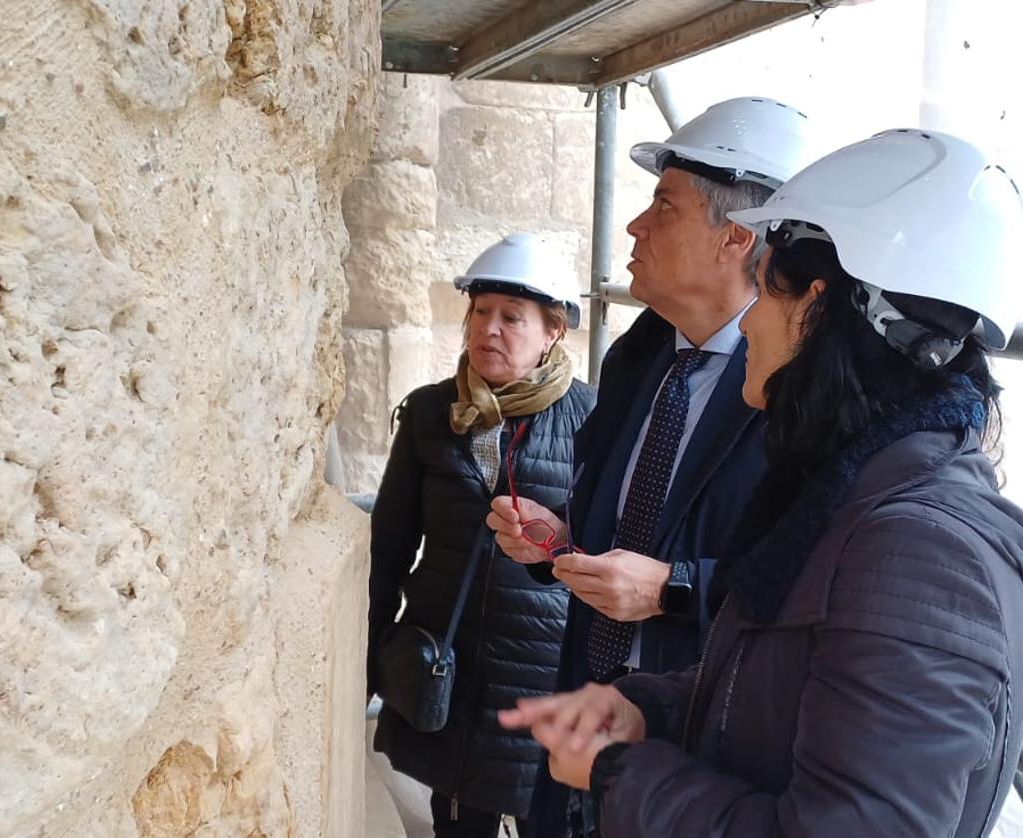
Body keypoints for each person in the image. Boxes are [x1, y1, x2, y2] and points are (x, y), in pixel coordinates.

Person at [501, 128, 1023, 837]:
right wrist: (648, 709)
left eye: (766, 291)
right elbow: (778, 687)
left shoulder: (920, 556)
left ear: (817, 305)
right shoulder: (850, 491)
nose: (749, 327)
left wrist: (619, 770)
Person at [486, 96, 818, 836]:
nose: (635, 226)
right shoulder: (639, 356)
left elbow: (800, 581)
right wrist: (554, 543)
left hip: (695, 752)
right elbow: (616, 524)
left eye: (663, 207)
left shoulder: (799, 399)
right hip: (584, 720)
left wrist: (676, 591)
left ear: (736, 237)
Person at [367, 233, 596, 837]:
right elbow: (389, 547)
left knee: (547, 819)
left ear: (552, 333)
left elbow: (607, 545)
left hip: (541, 677)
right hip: (450, 664)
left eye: (511, 318)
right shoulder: (427, 414)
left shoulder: (593, 420)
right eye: (480, 312)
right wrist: (372, 655)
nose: (488, 329)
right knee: (456, 821)